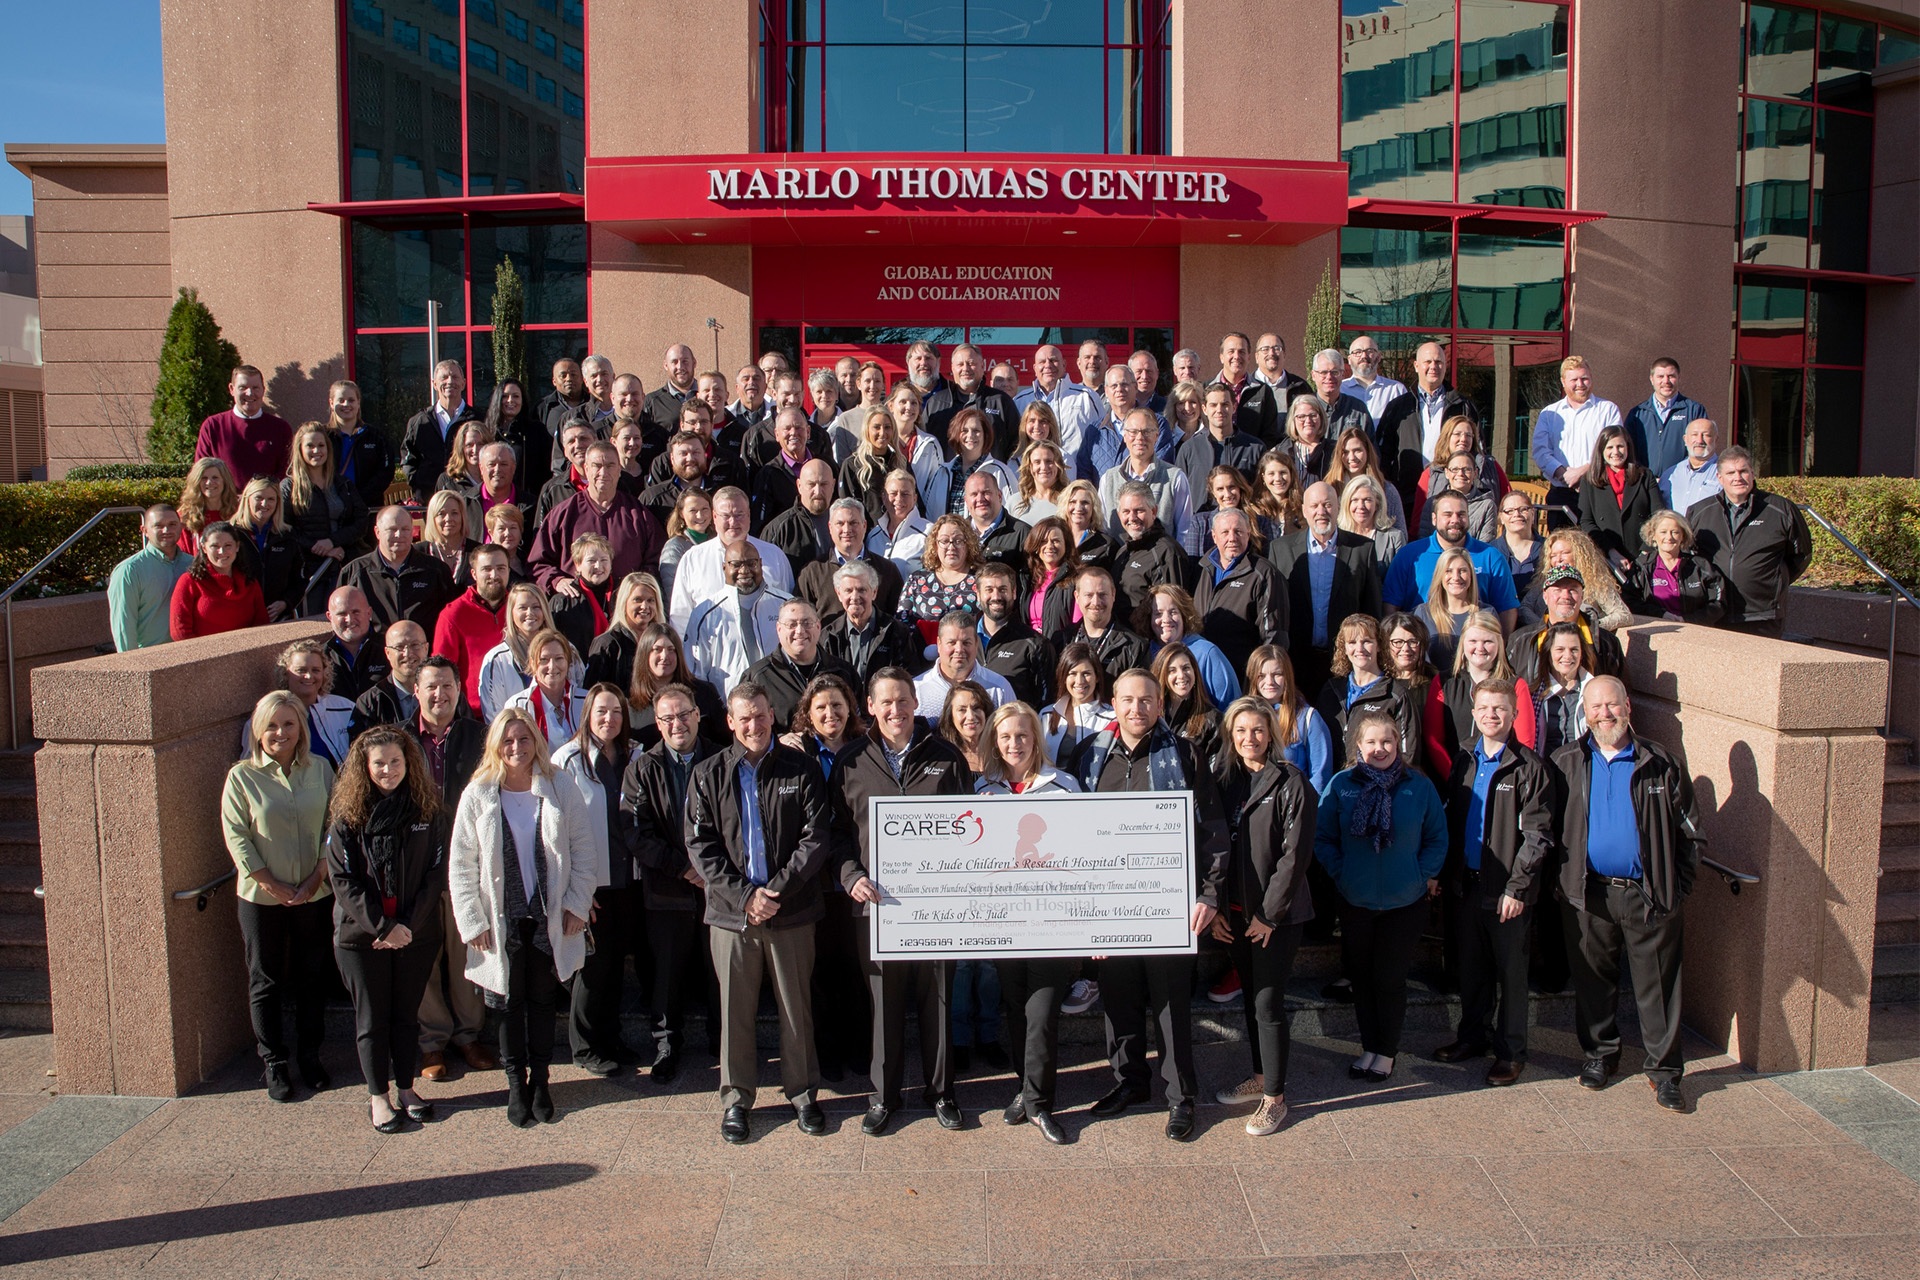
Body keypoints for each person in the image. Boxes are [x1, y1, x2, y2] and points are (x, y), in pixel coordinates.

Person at [1071, 670, 1229, 1140]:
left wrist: (1210, 893)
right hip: (1109, 908)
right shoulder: (1089, 756)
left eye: (1146, 701)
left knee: (1170, 1006)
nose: (1136, 709)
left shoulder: (1184, 754)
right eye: (1127, 701)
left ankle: (1182, 1097)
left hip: (1169, 908)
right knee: (1118, 1002)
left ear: (1160, 705)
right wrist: (1081, 917)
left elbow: (1214, 830)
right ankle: (1130, 1084)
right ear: (1113, 704)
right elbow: (1070, 836)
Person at [686, 681, 833, 1144]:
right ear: (730, 722)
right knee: (736, 1011)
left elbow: (817, 838)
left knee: (796, 1007)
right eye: (743, 718)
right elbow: (700, 846)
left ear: (774, 715)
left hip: (791, 911)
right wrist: (745, 896)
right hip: (732, 916)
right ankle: (736, 1099)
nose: (753, 725)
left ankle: (804, 1093)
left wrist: (775, 892)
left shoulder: (802, 768)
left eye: (760, 715)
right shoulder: (708, 773)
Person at [828, 667, 972, 1134]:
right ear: (869, 707)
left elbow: (972, 830)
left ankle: (941, 1091)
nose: (896, 711)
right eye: (885, 703)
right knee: (883, 1004)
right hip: (876, 906)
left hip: (936, 907)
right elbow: (836, 835)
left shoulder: (947, 758)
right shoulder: (850, 761)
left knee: (939, 998)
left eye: (903, 701)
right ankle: (883, 1096)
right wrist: (850, 875)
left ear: (917, 704)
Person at [1552, 677, 1704, 1112]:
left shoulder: (1661, 763)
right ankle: (1601, 1055)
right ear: (1586, 711)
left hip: (1648, 897)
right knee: (1593, 982)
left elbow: (1690, 833)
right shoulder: (1565, 762)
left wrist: (1676, 890)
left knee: (1658, 987)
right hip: (1588, 895)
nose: (1605, 714)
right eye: (1596, 706)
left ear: (1628, 706)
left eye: (1612, 705)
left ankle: (1666, 1072)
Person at [447, 707, 599, 1127]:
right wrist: (472, 920)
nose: (517, 748)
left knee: (542, 1000)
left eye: (524, 739)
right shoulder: (479, 793)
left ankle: (543, 1080)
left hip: (548, 916)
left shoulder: (558, 785)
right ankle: (516, 1083)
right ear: (496, 745)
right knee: (508, 1005)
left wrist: (576, 906)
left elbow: (584, 851)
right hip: (500, 919)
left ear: (536, 741)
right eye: (508, 740)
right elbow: (462, 863)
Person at [1314, 708, 1448, 1083]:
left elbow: (1437, 837)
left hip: (1404, 903)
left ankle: (1387, 1051)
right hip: (1356, 900)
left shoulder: (1417, 786)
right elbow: (1322, 837)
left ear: (1398, 744)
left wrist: (1419, 876)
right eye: (1371, 742)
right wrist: (1342, 873)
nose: (1379, 748)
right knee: (1361, 977)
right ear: (1358, 745)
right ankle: (1369, 1047)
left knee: (1389, 979)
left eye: (1386, 741)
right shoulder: (1342, 784)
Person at [326, 727, 447, 1131]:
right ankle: (378, 1097)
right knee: (372, 1019)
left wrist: (406, 927)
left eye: (396, 761)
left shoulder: (425, 809)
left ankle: (407, 1089)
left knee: (406, 1017)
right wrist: (382, 927)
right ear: (365, 767)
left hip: (414, 935)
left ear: (408, 763)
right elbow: (342, 880)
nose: (388, 770)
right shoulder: (347, 816)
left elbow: (435, 873)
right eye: (379, 763)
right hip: (363, 939)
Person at [1434, 679, 1553, 1086]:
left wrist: (1517, 889)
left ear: (1515, 714)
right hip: (1465, 885)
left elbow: (1537, 836)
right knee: (1471, 971)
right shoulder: (1464, 757)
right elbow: (1452, 820)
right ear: (1473, 711)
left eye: (1500, 709)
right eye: (1484, 708)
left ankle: (1511, 1053)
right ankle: (1472, 1038)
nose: (1491, 715)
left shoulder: (1529, 767)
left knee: (1511, 977)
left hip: (1506, 892)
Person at [972, 701, 1080, 1143]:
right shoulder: (983, 790)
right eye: (1005, 736)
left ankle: (1038, 1104)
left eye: (1022, 735)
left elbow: (1085, 857)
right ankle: (1025, 1088)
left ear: (1036, 738)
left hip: (1054, 926)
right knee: (1016, 1009)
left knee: (1041, 1013)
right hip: (1005, 926)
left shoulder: (1065, 787)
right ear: (994, 742)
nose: (1014, 743)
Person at [221, 691, 336, 1101]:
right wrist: (271, 883)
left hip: (314, 891)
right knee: (265, 979)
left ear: (300, 728)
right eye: (271, 725)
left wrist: (316, 876)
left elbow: (333, 826)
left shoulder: (321, 770)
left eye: (289, 724)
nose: (280, 733)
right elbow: (237, 836)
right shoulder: (242, 777)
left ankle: (310, 1055)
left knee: (312, 977)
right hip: (260, 897)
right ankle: (274, 1062)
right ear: (257, 730)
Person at [1211, 696, 1316, 1135]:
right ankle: (1259, 1077)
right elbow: (1212, 846)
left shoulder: (1292, 782)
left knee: (1268, 1004)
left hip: (1276, 918)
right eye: (1240, 731)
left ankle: (1276, 1098)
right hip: (1234, 916)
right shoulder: (1226, 780)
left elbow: (1294, 859)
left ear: (1270, 733)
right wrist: (1214, 906)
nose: (1249, 738)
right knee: (1252, 1000)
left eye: (1257, 730)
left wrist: (1269, 917)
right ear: (1230, 737)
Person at [623, 682, 724, 1082]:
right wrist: (682, 868)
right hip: (667, 889)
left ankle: (725, 1042)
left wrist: (710, 868)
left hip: (717, 888)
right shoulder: (642, 768)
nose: (677, 723)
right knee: (666, 973)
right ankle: (666, 1045)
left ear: (698, 714)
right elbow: (634, 832)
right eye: (667, 717)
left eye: (684, 714)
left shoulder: (722, 758)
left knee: (720, 971)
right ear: (657, 723)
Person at [405, 656, 495, 1082]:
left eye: (447, 687)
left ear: (459, 691)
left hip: (466, 865)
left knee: (468, 953)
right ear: (415, 691)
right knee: (424, 956)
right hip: (416, 868)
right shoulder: (400, 740)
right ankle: (431, 1042)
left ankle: (468, 1034)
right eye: (431, 688)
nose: (439, 695)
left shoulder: (478, 737)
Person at [553, 684, 643, 1076]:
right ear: (587, 714)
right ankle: (586, 1046)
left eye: (617, 712)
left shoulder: (635, 756)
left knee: (615, 967)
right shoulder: (567, 760)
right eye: (601, 712)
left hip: (629, 878)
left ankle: (611, 1038)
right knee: (592, 969)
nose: (609, 719)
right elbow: (556, 832)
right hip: (591, 884)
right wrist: (575, 890)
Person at [1269, 481, 1383, 698]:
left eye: (1328, 505)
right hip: (1295, 660)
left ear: (1338, 508)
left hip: (1344, 662)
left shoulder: (1362, 549)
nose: (1321, 512)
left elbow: (1372, 611)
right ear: (1304, 510)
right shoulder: (1280, 549)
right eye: (1314, 506)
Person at [1685, 446, 1812, 636]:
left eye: (1743, 471)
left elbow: (1801, 555)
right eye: (1730, 472)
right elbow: (1690, 556)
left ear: (1752, 473)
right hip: (1715, 612)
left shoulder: (1781, 509)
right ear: (1720, 478)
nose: (1738, 477)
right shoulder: (1699, 512)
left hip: (1762, 614)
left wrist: (1773, 580)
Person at [528, 442, 667, 595]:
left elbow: (656, 562)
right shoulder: (563, 514)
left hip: (624, 609)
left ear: (619, 470)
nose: (603, 472)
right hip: (577, 608)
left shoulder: (638, 515)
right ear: (586, 469)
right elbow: (537, 564)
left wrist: (638, 587)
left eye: (610, 465)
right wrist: (556, 580)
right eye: (597, 466)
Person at [1383, 489, 1521, 630]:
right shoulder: (1410, 555)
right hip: (1422, 644)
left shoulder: (1490, 556)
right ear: (1434, 519)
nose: (1455, 520)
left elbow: (1507, 609)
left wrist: (1501, 645)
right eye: (1447, 514)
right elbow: (1391, 605)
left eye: (1461, 514)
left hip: (1475, 646)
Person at [1424, 610, 1537, 779]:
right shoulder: (1444, 682)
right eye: (1473, 641)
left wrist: (1498, 778)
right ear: (1463, 643)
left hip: (1500, 781)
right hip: (1452, 781)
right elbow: (1433, 739)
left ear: (1499, 643)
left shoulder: (1515, 685)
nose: (1480, 648)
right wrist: (1456, 776)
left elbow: (1524, 741)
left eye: (1488, 641)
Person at [668, 486, 794, 632]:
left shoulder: (773, 556)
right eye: (726, 516)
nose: (733, 522)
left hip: (768, 650)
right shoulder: (693, 559)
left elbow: (789, 608)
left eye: (739, 514)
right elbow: (680, 618)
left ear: (749, 515)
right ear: (714, 517)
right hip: (711, 651)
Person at [1376, 341, 1480, 506]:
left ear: (1445, 366)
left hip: (1453, 497)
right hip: (1407, 495)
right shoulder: (1398, 407)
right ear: (1416, 366)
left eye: (1439, 362)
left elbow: (1477, 451)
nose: (1434, 366)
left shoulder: (1462, 406)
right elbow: (1384, 454)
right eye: (1428, 362)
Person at [1191, 505, 1287, 679]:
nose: (1232, 538)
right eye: (1225, 532)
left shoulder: (1263, 574)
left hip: (1242, 674)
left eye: (1238, 532)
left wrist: (1261, 677)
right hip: (1202, 671)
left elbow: (1273, 635)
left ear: (1248, 535)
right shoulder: (1201, 569)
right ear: (1214, 536)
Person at [283, 420, 371, 610]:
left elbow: (361, 519)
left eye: (321, 445)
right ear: (300, 449)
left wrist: (333, 541)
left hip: (344, 563)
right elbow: (284, 528)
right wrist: (319, 548)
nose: (317, 451)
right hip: (309, 570)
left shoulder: (342, 484)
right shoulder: (289, 487)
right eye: (310, 446)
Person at [686, 541, 792, 696]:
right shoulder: (705, 614)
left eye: (751, 563)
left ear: (760, 564)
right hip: (727, 709)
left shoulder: (785, 605)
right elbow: (696, 674)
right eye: (736, 565)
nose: (744, 570)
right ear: (724, 568)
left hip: (780, 706)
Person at [1314, 613, 1419, 765]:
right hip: (1336, 783)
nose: (1359, 648)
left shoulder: (1395, 695)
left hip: (1381, 784)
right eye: (1352, 642)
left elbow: (1408, 754)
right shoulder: (1331, 690)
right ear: (1344, 648)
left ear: (1379, 645)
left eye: (1366, 641)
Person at [1531, 356, 1623, 526]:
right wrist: (1563, 474)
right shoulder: (1549, 413)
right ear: (1563, 382)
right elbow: (1540, 451)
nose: (1580, 384)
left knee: (1597, 547)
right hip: (1561, 493)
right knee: (1561, 548)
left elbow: (1614, 450)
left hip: (1598, 491)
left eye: (1585, 378)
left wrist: (1582, 472)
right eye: (1574, 379)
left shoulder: (1607, 410)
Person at [338, 505, 456, 634]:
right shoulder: (356, 572)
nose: (399, 535)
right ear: (377, 532)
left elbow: (452, 619)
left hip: (425, 650)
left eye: (405, 529)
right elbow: (340, 619)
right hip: (376, 652)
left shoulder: (436, 570)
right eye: (392, 529)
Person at [744, 599, 860, 730]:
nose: (799, 630)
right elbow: (747, 728)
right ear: (779, 629)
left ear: (818, 627)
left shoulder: (843, 672)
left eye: (807, 623)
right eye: (791, 624)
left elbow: (861, 722)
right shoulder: (758, 677)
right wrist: (778, 741)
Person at [1508, 565, 1626, 687]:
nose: (1565, 596)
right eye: (1557, 589)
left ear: (1582, 596)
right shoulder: (1520, 641)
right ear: (1545, 596)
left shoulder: (1606, 643)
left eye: (1573, 589)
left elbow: (1621, 693)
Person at [1099, 406, 1195, 555]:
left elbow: (1184, 531)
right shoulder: (1108, 479)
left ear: (1157, 435)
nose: (1140, 438)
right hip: (1118, 566)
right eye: (1133, 432)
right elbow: (1104, 528)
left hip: (1161, 566)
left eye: (1147, 432)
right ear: (1124, 435)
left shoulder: (1175, 478)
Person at [794, 498, 904, 625]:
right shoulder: (812, 572)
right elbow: (801, 619)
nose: (847, 529)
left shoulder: (886, 570)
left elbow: (897, 619)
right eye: (840, 523)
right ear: (830, 527)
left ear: (864, 525)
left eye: (853, 523)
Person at [430, 543, 510, 713]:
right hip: (474, 715)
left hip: (518, 709)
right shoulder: (453, 615)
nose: (494, 575)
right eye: (486, 569)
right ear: (473, 573)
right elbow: (442, 671)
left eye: (501, 568)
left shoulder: (520, 609)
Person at [821, 560, 925, 687]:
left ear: (874, 592)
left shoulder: (896, 632)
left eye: (861, 590)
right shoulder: (828, 636)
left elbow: (909, 678)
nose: (855, 597)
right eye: (848, 590)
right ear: (839, 594)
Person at [1247, 644, 1334, 792]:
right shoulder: (1243, 718)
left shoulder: (1307, 718)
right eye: (1261, 676)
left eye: (1277, 674)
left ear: (1287, 676)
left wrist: (1306, 809)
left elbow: (1321, 777)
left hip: (1294, 807)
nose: (1270, 682)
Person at [1144, 581, 1240, 711]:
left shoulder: (1207, 653)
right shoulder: (1144, 652)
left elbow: (1231, 708)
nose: (1166, 619)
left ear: (1184, 615)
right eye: (1158, 613)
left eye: (1173, 612)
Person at [109, 505, 193, 650]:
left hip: (190, 654)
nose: (166, 530)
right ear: (145, 531)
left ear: (181, 527)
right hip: (150, 656)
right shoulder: (129, 571)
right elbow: (123, 625)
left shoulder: (193, 564)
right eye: (158, 526)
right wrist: (132, 665)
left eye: (172, 525)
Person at [1579, 425, 1661, 572]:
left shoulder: (1645, 476)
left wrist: (1646, 551)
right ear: (1601, 450)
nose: (1615, 452)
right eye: (1610, 447)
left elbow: (1659, 515)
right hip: (1606, 558)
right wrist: (1610, 551)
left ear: (1628, 448)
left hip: (1643, 556)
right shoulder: (1589, 480)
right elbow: (1586, 521)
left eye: (1620, 446)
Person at [195, 364, 294, 485]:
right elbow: (202, 471)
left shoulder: (280, 428)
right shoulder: (213, 426)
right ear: (231, 389)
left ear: (263, 390)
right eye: (243, 387)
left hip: (266, 502)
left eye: (255, 387)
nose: (249, 393)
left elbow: (286, 472)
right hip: (225, 502)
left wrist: (259, 495)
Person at [1110, 483, 1195, 624]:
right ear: (1119, 515)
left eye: (1139, 510)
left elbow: (1171, 613)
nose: (1132, 517)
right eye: (1126, 511)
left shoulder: (1166, 552)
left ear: (1154, 511)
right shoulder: (1123, 550)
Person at [170, 521, 269, 640]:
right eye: (215, 546)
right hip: (203, 655)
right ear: (204, 548)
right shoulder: (189, 582)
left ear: (237, 547)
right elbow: (180, 631)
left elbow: (262, 623)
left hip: (246, 654)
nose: (221, 552)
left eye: (228, 545)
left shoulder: (250, 582)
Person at [402, 359, 482, 505]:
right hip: (429, 499)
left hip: (469, 498)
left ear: (463, 383)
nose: (450, 381)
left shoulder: (478, 419)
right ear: (434, 384)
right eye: (444, 377)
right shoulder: (419, 422)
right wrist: (418, 485)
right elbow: (408, 458)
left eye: (455, 377)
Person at [1521, 528, 1633, 631]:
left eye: (1564, 553)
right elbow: (1524, 608)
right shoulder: (1544, 581)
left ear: (1579, 555)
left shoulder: (1596, 582)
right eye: (1553, 555)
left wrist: (1587, 627)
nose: (1558, 559)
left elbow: (1624, 615)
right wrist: (1545, 626)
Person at [897, 514, 985, 642]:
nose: (951, 547)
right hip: (921, 656)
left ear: (968, 544)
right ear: (935, 544)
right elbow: (902, 622)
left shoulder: (980, 579)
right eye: (944, 541)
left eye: (958, 540)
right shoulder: (917, 580)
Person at [913, 610, 1016, 718]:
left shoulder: (999, 689)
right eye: (952, 643)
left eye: (966, 643)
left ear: (976, 644)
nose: (959, 649)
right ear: (939, 644)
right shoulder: (916, 690)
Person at [924, 343, 1020, 459]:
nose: (966, 368)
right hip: (946, 476)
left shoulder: (1001, 401)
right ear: (952, 368)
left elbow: (1017, 445)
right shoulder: (936, 402)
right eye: (960, 364)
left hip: (991, 475)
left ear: (982, 366)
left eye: (971, 363)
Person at [1627, 510, 1725, 624]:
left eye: (1675, 532)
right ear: (1653, 535)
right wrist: (1661, 614)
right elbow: (1630, 602)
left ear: (1683, 535)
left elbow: (1718, 602)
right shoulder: (1641, 567)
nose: (1669, 537)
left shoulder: (1701, 566)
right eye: (1663, 532)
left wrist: (1690, 620)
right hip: (1657, 630)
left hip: (1696, 631)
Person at [1056, 565, 1150, 683]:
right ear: (1077, 597)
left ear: (1113, 595)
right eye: (1089, 595)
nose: (1096, 602)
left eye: (1102, 595)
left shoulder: (1134, 647)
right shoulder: (1061, 641)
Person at [227, 477, 302, 621]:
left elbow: (299, 579)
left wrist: (286, 602)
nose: (264, 504)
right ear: (247, 499)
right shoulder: (231, 533)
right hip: (239, 616)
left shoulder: (287, 536)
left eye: (271, 499)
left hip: (277, 617)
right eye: (258, 498)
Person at [1624, 357, 1709, 482]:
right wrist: (1646, 476)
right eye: (1660, 377)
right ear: (1652, 379)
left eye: (1671, 376)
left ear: (1679, 377)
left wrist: (1678, 475)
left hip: (1682, 482)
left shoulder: (1694, 410)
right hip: (1644, 483)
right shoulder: (1638, 414)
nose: (1666, 381)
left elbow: (1700, 448)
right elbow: (1629, 450)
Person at [1016, 343, 1102, 465]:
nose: (1048, 365)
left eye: (1053, 360)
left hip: (1077, 477)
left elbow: (1102, 440)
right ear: (1035, 368)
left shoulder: (1086, 397)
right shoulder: (1020, 401)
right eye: (1042, 362)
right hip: (1034, 477)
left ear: (1064, 364)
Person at [503, 628, 588, 747]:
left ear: (568, 662)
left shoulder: (587, 701)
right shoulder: (517, 706)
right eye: (544, 660)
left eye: (559, 658)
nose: (552, 666)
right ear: (532, 663)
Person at [583, 571, 666, 690]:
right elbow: (592, 693)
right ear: (624, 602)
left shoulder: (664, 641)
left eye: (650, 600)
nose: (644, 606)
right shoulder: (607, 643)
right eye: (637, 600)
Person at [1324, 425, 1412, 536]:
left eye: (1357, 450)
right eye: (1345, 452)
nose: (1351, 457)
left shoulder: (1387, 489)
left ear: (1367, 451)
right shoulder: (1331, 488)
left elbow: (1400, 531)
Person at [349, 620, 430, 739]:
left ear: (426, 648)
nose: (407, 653)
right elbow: (362, 752)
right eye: (399, 647)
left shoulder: (445, 694)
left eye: (415, 645)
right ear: (387, 653)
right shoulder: (370, 703)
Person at [327, 379, 398, 514]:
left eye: (351, 400)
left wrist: (361, 497)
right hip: (334, 510)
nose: (346, 404)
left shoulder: (375, 436)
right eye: (340, 400)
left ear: (358, 403)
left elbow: (385, 472)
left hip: (368, 508)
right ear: (331, 403)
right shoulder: (324, 437)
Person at [547, 532, 617, 659]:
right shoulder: (563, 602)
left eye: (604, 560)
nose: (598, 566)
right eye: (591, 560)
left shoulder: (623, 594)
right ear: (577, 564)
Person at [1043, 642, 1116, 762]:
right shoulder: (1046, 715)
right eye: (1072, 674)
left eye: (1086, 674)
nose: (1079, 681)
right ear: (1063, 677)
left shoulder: (1112, 717)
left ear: (1097, 677)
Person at [1532, 621, 1596, 757]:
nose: (1567, 656)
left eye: (1574, 650)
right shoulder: (1534, 694)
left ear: (1582, 653)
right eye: (1560, 649)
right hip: (1545, 770)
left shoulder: (1595, 691)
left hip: (1582, 769)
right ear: (1548, 653)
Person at [1415, 547, 1482, 674]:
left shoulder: (1486, 613)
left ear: (1471, 575)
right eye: (1448, 571)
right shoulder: (1423, 613)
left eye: (1462, 571)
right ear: (1440, 575)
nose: (1456, 577)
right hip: (1433, 688)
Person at [1420, 449, 1501, 544]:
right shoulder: (1432, 503)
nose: (1460, 474)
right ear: (1446, 473)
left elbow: (1485, 544)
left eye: (1467, 469)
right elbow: (1425, 541)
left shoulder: (1487, 505)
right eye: (1455, 469)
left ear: (1475, 473)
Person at [325, 585, 387, 700]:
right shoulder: (322, 656)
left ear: (369, 613)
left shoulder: (389, 649)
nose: (349, 619)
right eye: (342, 614)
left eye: (356, 612)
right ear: (329, 616)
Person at [657, 486, 713, 604]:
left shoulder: (716, 541)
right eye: (693, 511)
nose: (700, 515)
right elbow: (672, 593)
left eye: (704, 509)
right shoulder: (675, 547)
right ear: (681, 513)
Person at [177, 456, 240, 558]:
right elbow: (183, 555)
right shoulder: (185, 515)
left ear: (225, 480)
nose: (209, 482)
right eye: (204, 478)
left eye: (215, 477)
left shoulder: (237, 511)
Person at [1307, 349, 1375, 441]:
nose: (1329, 377)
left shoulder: (1358, 409)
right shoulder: (1304, 408)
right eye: (1323, 372)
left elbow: (1370, 449)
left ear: (1343, 375)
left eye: (1335, 372)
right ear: (1313, 375)